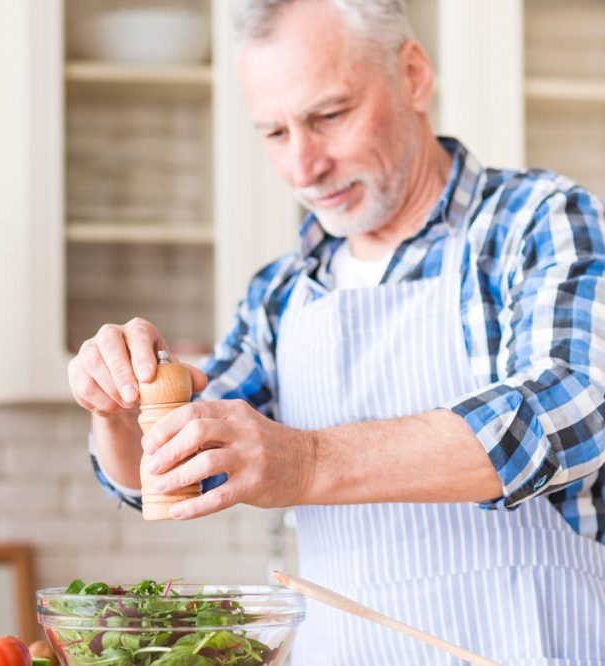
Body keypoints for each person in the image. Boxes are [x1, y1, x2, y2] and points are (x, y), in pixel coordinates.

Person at [68, 0, 605, 662]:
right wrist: (116, 408)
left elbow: (576, 407)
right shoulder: (282, 292)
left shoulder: (536, 222)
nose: (302, 168)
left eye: (328, 116)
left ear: (412, 75)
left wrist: (308, 460)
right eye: (273, 133)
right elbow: (180, 467)